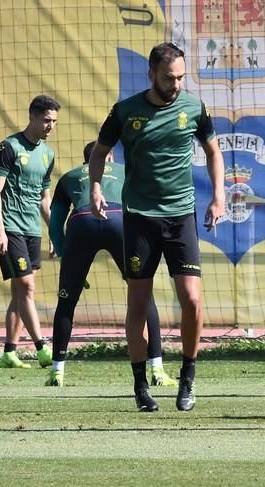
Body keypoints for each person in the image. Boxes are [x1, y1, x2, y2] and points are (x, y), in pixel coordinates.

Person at [89, 42, 225, 412]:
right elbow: (100, 152)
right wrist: (96, 187)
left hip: (181, 216)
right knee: (138, 302)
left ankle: (188, 380)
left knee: (193, 301)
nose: (176, 83)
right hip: (139, 218)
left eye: (181, 77)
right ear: (151, 74)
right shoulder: (126, 111)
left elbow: (214, 152)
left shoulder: (194, 107)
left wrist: (218, 196)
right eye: (169, 77)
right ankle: (140, 387)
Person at [46, 140, 177, 387]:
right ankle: (157, 370)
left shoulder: (69, 177)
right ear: (109, 158)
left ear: (87, 160)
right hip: (119, 220)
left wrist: (68, 259)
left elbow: (55, 225)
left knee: (67, 300)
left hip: (81, 222)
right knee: (144, 296)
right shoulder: (125, 170)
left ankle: (57, 372)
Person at [0, 95, 58, 370]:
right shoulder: (8, 147)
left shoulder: (48, 154)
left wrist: (55, 233)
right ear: (32, 116)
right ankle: (42, 348)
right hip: (10, 227)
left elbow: (44, 200)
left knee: (21, 292)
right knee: (27, 286)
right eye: (46, 120)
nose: (50, 126)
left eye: (53, 121)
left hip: (32, 229)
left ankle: (9, 352)